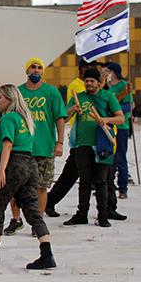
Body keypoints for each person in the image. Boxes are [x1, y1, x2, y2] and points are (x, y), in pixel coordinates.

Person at [0, 84, 55, 269]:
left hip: (14, 165)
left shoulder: (8, 117)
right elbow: (15, 138)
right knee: (33, 211)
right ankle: (47, 254)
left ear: (9, 99)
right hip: (29, 165)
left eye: (0, 97)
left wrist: (1, 171)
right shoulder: (24, 118)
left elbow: (8, 145)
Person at [5, 57, 67, 235]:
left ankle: (38, 222)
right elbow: (10, 118)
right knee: (15, 186)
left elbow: (60, 118)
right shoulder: (18, 92)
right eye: (33, 67)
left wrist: (60, 142)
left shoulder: (51, 92)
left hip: (44, 148)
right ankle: (16, 220)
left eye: (40, 67)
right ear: (27, 70)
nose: (37, 70)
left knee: (41, 186)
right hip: (21, 148)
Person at [64, 67, 124, 227]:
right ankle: (82, 214)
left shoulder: (108, 97)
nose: (89, 84)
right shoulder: (79, 97)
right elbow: (62, 118)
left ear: (99, 82)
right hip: (82, 144)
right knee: (84, 181)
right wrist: (71, 110)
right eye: (87, 81)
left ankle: (102, 215)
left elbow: (121, 119)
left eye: (92, 81)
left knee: (101, 181)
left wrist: (106, 120)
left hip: (102, 145)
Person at [44, 58, 91, 217]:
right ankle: (49, 201)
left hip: (97, 142)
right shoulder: (77, 86)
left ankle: (107, 209)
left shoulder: (102, 92)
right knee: (72, 175)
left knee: (100, 177)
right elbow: (63, 115)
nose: (90, 83)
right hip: (80, 141)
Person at [104, 62, 134, 200]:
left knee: (120, 157)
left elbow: (129, 106)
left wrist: (115, 110)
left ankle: (123, 188)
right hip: (108, 126)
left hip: (121, 127)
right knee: (108, 158)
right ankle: (107, 187)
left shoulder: (123, 86)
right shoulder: (108, 87)